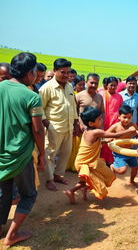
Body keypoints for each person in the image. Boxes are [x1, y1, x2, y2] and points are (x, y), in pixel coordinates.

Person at [0, 52, 45, 247]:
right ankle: (11, 235)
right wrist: (42, 154)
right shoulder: (31, 96)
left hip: (1, 153)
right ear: (29, 72)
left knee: (3, 193)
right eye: (35, 70)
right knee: (28, 195)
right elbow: (37, 129)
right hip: (21, 154)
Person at [64, 106, 136, 203]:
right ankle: (71, 191)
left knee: (85, 181)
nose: (102, 120)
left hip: (84, 161)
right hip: (85, 163)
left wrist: (105, 142)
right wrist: (129, 130)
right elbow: (116, 135)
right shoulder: (96, 132)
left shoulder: (87, 131)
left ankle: (79, 190)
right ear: (91, 123)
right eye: (99, 119)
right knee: (93, 179)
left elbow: (93, 144)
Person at [39, 58, 80, 191]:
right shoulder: (46, 88)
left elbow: (72, 105)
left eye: (68, 72)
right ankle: (49, 179)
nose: (66, 75)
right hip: (53, 128)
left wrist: (76, 122)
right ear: (55, 71)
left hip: (68, 127)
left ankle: (58, 175)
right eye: (63, 72)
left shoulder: (69, 85)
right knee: (50, 154)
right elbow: (40, 109)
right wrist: (48, 126)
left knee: (65, 153)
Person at [107, 105, 138, 186]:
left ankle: (131, 181)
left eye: (129, 117)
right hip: (119, 152)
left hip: (129, 151)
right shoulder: (115, 126)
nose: (126, 120)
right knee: (122, 171)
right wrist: (110, 138)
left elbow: (137, 133)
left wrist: (136, 139)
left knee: (135, 168)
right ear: (119, 117)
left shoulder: (132, 125)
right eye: (124, 117)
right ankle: (112, 166)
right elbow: (106, 134)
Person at [100, 76, 123, 165]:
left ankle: (110, 162)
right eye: (111, 85)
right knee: (102, 143)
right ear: (107, 85)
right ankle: (101, 161)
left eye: (115, 85)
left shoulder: (119, 97)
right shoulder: (101, 94)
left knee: (112, 143)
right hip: (103, 123)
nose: (113, 87)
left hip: (114, 124)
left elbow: (120, 111)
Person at [66, 75, 86, 172]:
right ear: (75, 85)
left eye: (83, 84)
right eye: (80, 85)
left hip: (84, 124)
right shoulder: (72, 94)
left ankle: (77, 165)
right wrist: (76, 123)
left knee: (80, 146)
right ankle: (71, 165)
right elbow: (74, 110)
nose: (82, 87)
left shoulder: (86, 94)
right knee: (73, 146)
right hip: (75, 123)